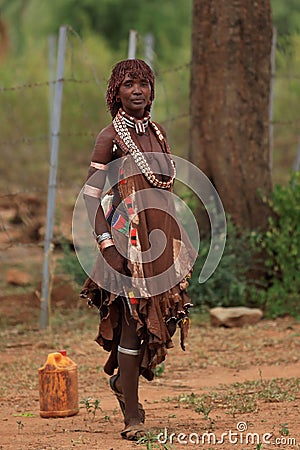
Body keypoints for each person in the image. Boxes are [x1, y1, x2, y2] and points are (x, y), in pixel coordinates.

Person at [80, 59, 196, 440]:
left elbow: (165, 189)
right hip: (126, 241)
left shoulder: (158, 134)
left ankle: (122, 385)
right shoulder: (109, 136)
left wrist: (174, 241)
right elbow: (92, 198)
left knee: (158, 320)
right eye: (129, 84)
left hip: (158, 238)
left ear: (151, 90)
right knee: (132, 322)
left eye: (143, 84)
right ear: (116, 91)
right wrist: (107, 246)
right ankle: (132, 413)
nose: (137, 91)